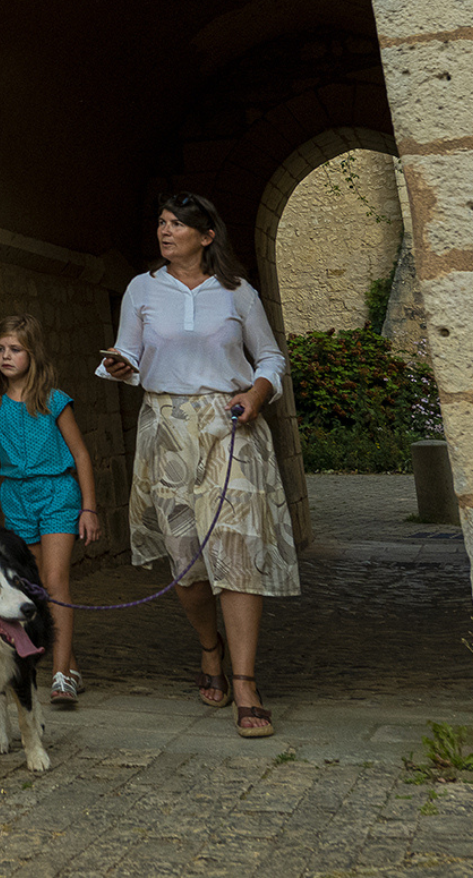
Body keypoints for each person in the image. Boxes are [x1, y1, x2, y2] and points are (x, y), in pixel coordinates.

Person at [97, 192, 297, 739]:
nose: (166, 232)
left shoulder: (237, 292)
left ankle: (245, 679)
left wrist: (257, 393)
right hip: (166, 429)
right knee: (187, 565)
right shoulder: (142, 288)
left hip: (232, 425)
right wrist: (120, 365)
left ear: (206, 236)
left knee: (236, 551)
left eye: (178, 225)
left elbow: (271, 357)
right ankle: (210, 648)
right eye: (161, 222)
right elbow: (130, 357)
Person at [0, 313, 101, 708]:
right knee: (34, 588)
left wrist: (89, 508)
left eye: (15, 350)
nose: (6, 356)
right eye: (0, 350)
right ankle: (71, 661)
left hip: (57, 494)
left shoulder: (53, 400)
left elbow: (81, 453)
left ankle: (61, 675)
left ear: (32, 353)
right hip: (17, 500)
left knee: (54, 579)